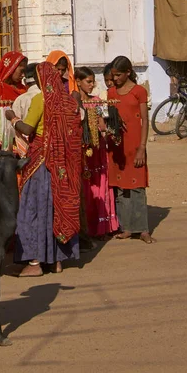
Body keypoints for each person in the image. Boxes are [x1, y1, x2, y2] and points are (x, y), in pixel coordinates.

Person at [6, 62, 82, 277]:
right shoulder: (67, 100)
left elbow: (28, 128)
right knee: (57, 208)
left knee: (34, 210)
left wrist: (12, 117)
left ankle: (35, 262)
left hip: (41, 162)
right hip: (62, 166)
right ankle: (57, 260)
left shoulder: (41, 99)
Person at [107, 56, 156, 244]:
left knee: (137, 187)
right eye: (113, 75)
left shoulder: (139, 92)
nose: (115, 79)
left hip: (135, 145)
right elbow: (112, 119)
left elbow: (144, 121)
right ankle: (126, 227)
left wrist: (142, 148)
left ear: (128, 72)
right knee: (121, 189)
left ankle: (142, 229)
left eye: (118, 75)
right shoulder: (111, 93)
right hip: (118, 148)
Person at [75, 67, 119, 245]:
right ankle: (86, 229)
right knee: (85, 189)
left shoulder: (96, 101)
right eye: (88, 82)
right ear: (78, 81)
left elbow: (101, 125)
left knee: (99, 185)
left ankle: (101, 228)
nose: (92, 85)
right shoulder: (73, 102)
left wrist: (108, 129)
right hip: (81, 152)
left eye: (93, 81)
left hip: (97, 150)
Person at [10, 63, 40, 157]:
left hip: (28, 149)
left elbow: (16, 131)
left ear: (25, 81)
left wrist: (12, 117)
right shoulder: (49, 97)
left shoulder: (21, 99)